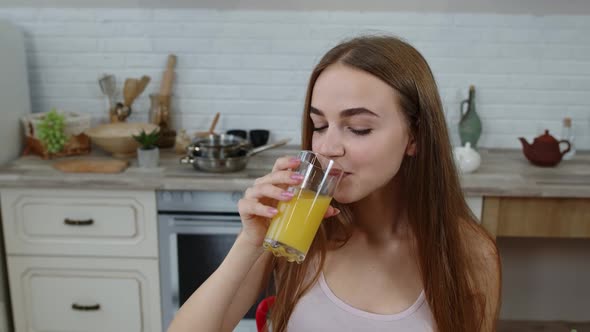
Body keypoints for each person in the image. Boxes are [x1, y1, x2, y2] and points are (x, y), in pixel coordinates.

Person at [167, 35, 501, 332]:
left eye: (358, 128)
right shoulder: (295, 229)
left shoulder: (469, 253)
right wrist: (248, 243)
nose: (327, 147)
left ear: (415, 137)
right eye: (319, 124)